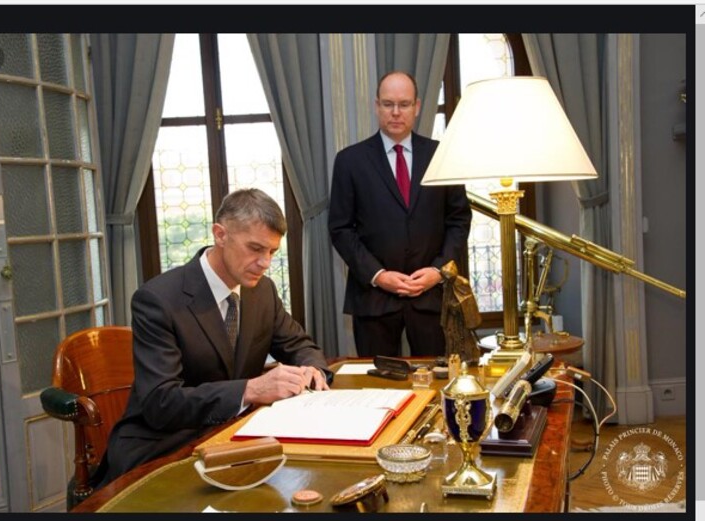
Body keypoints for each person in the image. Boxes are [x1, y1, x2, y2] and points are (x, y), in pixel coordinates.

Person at [96, 188, 332, 489]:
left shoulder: (262, 291)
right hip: (164, 447)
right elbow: (161, 402)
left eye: (272, 252)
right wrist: (250, 389)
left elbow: (299, 345)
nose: (265, 263)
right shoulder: (157, 299)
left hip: (234, 437)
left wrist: (313, 371)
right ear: (220, 234)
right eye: (255, 248)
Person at [328, 70, 472, 358]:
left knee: (437, 380)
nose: (395, 112)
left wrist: (438, 272)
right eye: (387, 104)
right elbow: (341, 229)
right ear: (376, 105)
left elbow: (458, 220)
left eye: (404, 104)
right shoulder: (350, 160)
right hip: (374, 298)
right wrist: (378, 275)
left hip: (432, 295)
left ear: (417, 107)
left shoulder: (441, 155)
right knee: (379, 388)